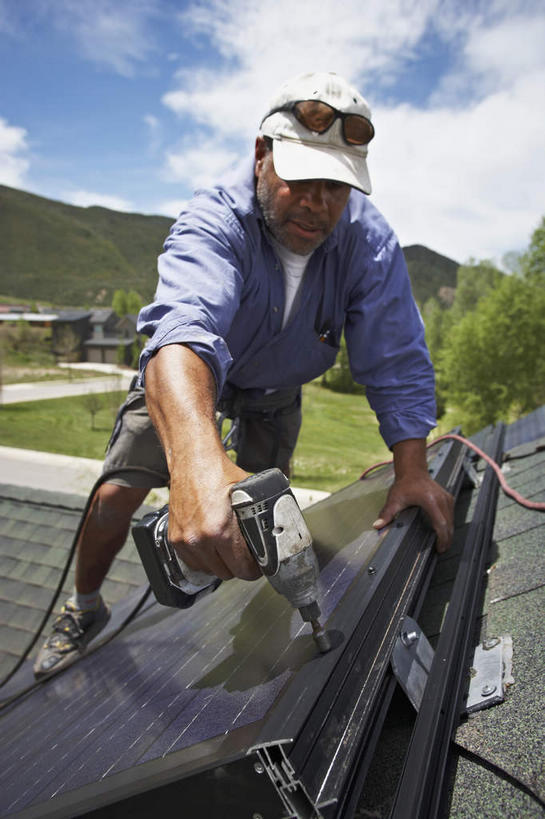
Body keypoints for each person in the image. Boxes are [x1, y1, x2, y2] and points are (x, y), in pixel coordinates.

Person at [34, 71, 454, 679]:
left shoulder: (369, 242)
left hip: (275, 400)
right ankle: (85, 606)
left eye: (336, 188)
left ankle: (239, 615)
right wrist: (197, 465)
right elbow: (183, 327)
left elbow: (396, 356)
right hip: (192, 384)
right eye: (301, 179)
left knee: (256, 521)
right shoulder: (215, 218)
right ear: (262, 154)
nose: (318, 203)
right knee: (116, 494)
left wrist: (412, 470)